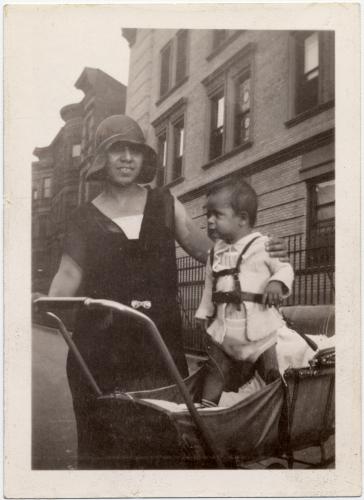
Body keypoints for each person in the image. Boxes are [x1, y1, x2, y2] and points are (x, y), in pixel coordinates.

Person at [45, 114, 289, 467]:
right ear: (102, 157)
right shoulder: (82, 217)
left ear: (145, 158)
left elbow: (210, 251)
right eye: (117, 150)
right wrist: (44, 303)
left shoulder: (164, 202)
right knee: (106, 450)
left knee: (164, 439)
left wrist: (263, 256)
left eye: (134, 150)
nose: (127, 158)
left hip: (157, 345)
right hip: (99, 351)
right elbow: (68, 273)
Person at [195, 178, 294, 407]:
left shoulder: (264, 245)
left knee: (271, 372)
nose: (209, 221)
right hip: (225, 333)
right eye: (207, 215)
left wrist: (276, 284)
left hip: (261, 335)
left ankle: (276, 410)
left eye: (217, 215)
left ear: (242, 219)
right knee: (215, 370)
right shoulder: (215, 254)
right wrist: (203, 312)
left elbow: (285, 268)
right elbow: (209, 285)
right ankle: (206, 411)